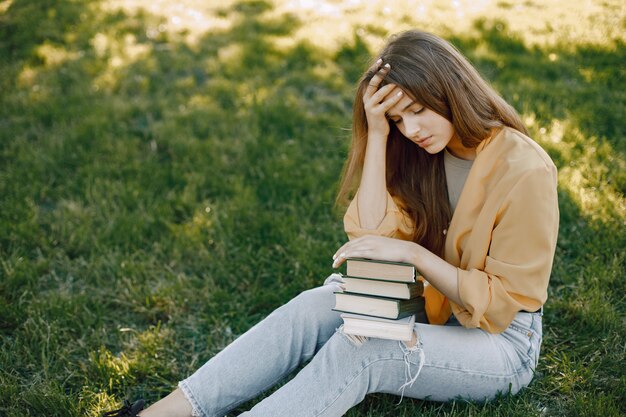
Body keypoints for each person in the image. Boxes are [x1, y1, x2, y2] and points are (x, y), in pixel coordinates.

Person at [103, 29, 559, 417]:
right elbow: (370, 234)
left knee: (366, 346)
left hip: (500, 343)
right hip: (439, 310)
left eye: (418, 110)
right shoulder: (421, 153)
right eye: (398, 118)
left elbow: (503, 303)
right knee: (315, 305)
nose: (412, 129)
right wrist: (378, 134)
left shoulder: (525, 170)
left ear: (451, 91)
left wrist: (415, 254)